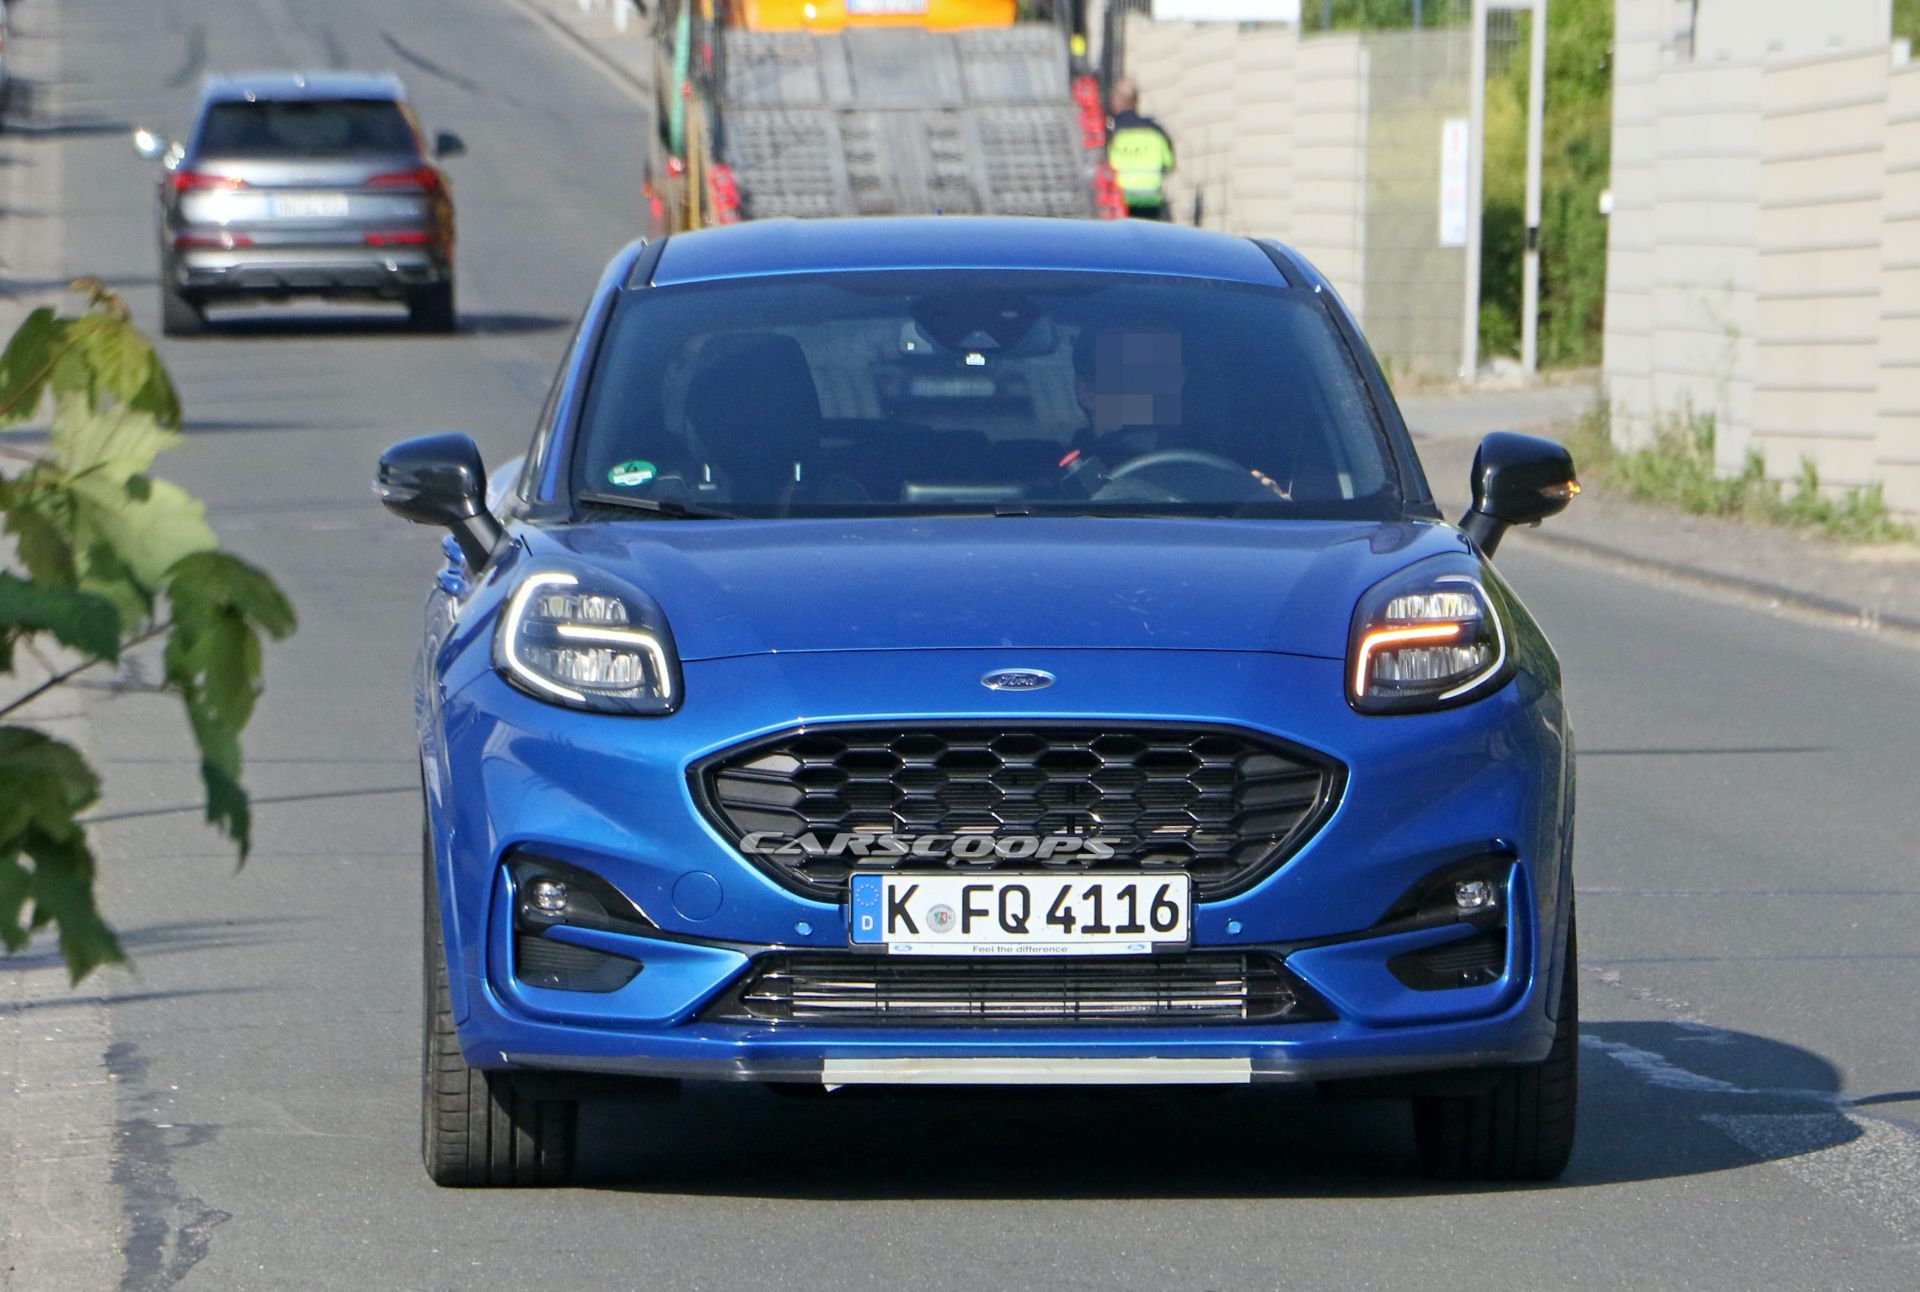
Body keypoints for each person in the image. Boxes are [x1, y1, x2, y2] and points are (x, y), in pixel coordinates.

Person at [1106, 79, 1176, 221]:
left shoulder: (1111, 131)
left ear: (1115, 101)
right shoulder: (1156, 131)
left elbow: (1103, 165)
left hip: (1121, 202)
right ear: (1136, 101)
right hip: (1151, 201)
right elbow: (1169, 164)